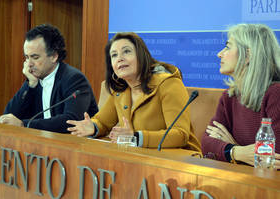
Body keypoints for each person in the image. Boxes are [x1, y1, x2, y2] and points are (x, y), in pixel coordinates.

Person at [67, 32, 201, 151]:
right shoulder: (121, 90)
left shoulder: (169, 83)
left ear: (141, 55)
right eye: (114, 55)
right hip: (138, 159)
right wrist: (93, 126)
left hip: (178, 162)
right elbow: (103, 122)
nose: (119, 58)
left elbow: (180, 134)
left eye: (126, 51)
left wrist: (136, 137)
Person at [201, 24, 280, 168]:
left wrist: (231, 146)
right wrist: (236, 151)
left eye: (228, 47)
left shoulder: (276, 94)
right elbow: (206, 143)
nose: (219, 54)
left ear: (248, 55)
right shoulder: (229, 97)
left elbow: (274, 158)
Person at [0, 24, 98, 133]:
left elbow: (70, 120)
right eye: (27, 57)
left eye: (35, 57)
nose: (29, 64)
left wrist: (24, 124)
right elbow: (9, 116)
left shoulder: (74, 79)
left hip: (76, 144)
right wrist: (30, 85)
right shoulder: (35, 80)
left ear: (54, 56)